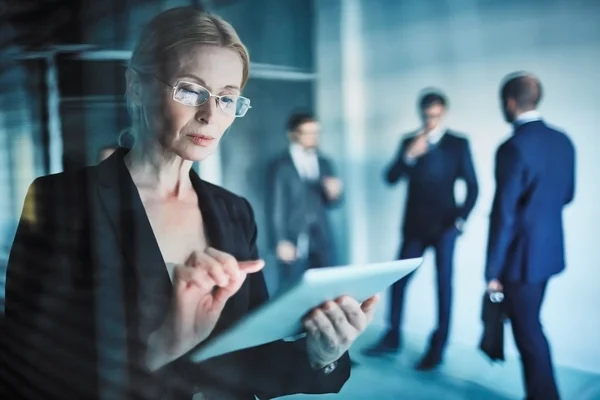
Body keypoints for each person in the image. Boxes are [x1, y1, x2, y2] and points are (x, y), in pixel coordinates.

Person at [2, 7, 379, 400]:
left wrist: (322, 356)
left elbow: (251, 360)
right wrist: (159, 348)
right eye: (190, 90)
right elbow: (26, 372)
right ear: (135, 88)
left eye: (227, 99)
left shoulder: (235, 211)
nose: (210, 115)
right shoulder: (61, 201)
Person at [365, 90, 479, 370]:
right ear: (421, 114)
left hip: (445, 229)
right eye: (427, 115)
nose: (431, 120)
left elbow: (473, 187)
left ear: (444, 113)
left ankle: (437, 348)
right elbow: (390, 178)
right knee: (399, 281)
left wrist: (459, 221)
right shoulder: (409, 142)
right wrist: (408, 156)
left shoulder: (458, 144)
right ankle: (392, 338)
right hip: (414, 227)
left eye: (436, 115)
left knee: (443, 286)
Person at [485, 72, 575, 400]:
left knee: (528, 331)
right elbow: (567, 194)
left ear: (509, 103)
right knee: (531, 323)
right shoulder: (562, 140)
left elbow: (504, 215)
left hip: (519, 260)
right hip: (549, 252)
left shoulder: (512, 148)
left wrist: (493, 271)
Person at [268, 113, 343, 288]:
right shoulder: (280, 165)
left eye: (316, 133)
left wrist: (334, 194)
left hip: (322, 236)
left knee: (326, 287)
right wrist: (280, 240)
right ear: (293, 134)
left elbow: (334, 203)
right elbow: (275, 206)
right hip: (294, 236)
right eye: (307, 133)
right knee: (293, 287)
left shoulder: (325, 162)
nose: (313, 137)